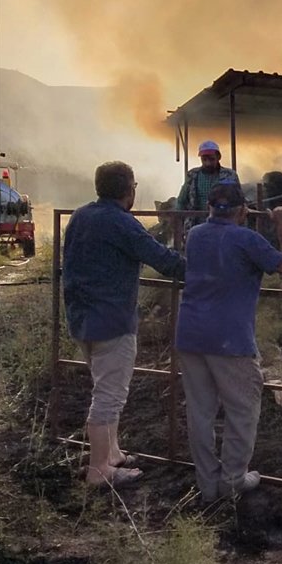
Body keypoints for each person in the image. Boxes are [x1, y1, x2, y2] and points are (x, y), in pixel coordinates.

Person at [63, 161, 186, 487]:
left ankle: (112, 453)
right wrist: (205, 268)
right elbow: (163, 260)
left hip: (81, 317)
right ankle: (99, 470)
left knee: (105, 387)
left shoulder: (80, 216)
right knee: (109, 395)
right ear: (129, 190)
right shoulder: (123, 223)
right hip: (112, 320)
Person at [175, 183, 282, 502]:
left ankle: (207, 485)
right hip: (230, 338)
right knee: (243, 409)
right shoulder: (246, 238)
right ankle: (232, 481)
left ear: (209, 208)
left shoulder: (195, 235)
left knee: (200, 412)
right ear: (243, 211)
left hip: (190, 333)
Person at [176, 141, 239, 226]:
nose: (208, 163)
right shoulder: (192, 175)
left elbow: (239, 201)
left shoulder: (229, 175)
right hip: (196, 224)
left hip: (223, 223)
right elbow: (182, 200)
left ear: (218, 157)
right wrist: (178, 223)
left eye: (211, 159)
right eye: (204, 159)